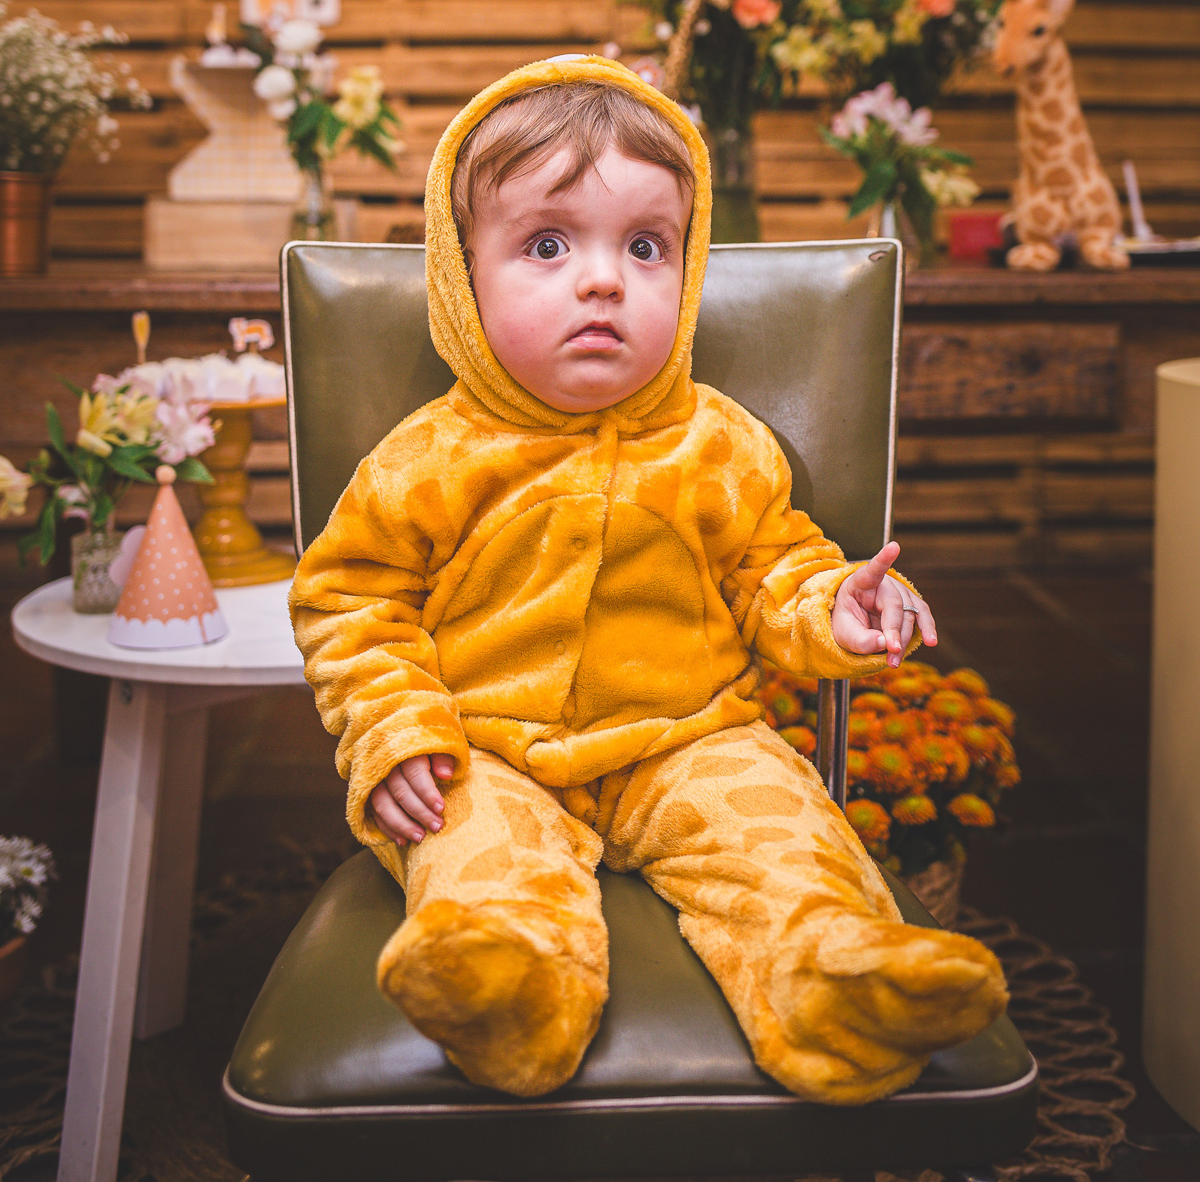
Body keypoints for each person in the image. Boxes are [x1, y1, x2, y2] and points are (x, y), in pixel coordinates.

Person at [289, 54, 1007, 1105]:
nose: (603, 279)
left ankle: (836, 979)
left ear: (689, 265)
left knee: (788, 837)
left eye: (645, 246)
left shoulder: (720, 443)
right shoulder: (423, 459)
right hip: (488, 749)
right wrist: (395, 730)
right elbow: (351, 603)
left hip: (692, 738)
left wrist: (833, 607)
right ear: (461, 274)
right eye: (546, 244)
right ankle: (506, 989)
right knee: (481, 863)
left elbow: (777, 573)